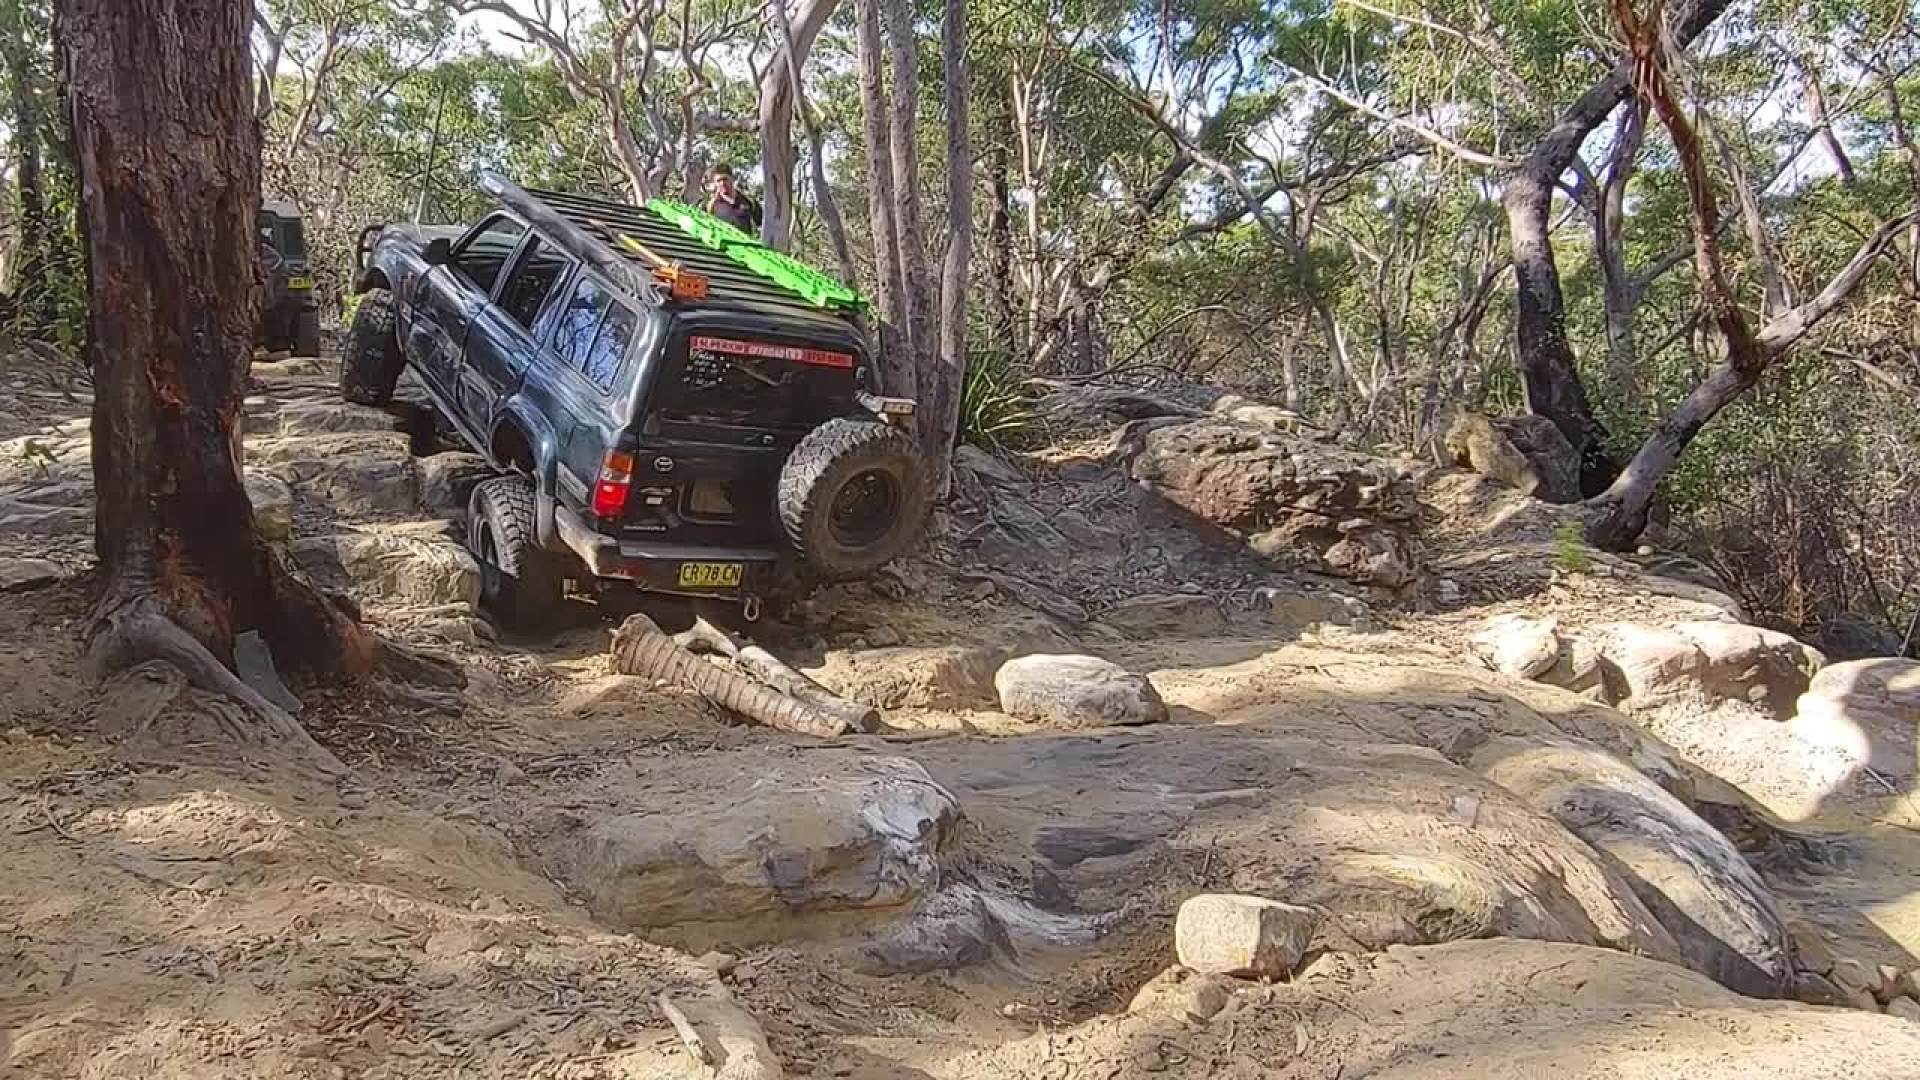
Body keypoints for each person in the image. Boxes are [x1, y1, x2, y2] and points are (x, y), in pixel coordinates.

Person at [705, 163, 763, 233]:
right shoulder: (710, 205)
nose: (722, 183)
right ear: (714, 183)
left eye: (725, 179)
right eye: (718, 181)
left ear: (732, 179)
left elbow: (762, 224)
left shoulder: (749, 201)